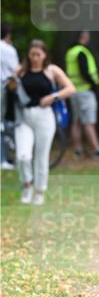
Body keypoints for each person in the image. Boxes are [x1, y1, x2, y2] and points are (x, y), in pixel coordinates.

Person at [11, 39, 75, 205]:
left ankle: (40, 191)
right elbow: (9, 88)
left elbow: (70, 88)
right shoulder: (20, 71)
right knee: (23, 156)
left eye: (38, 54)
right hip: (24, 116)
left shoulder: (52, 70)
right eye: (32, 54)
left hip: (45, 116)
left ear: (45, 55)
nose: (35, 58)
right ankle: (27, 184)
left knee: (41, 156)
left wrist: (53, 97)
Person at [64, 31, 99, 158]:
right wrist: (94, 84)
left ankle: (77, 149)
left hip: (73, 90)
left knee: (77, 121)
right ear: (84, 37)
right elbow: (84, 71)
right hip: (85, 90)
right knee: (89, 121)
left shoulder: (70, 52)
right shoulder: (81, 52)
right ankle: (97, 149)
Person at [1, 23, 20, 169]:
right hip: (5, 87)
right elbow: (16, 70)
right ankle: (3, 159)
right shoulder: (8, 49)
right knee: (3, 123)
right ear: (8, 34)